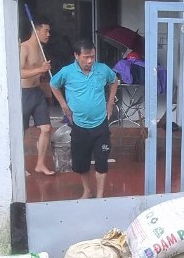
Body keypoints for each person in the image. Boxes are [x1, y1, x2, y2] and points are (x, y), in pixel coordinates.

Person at [50, 39, 119, 198]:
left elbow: (114, 81)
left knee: (102, 161)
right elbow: (53, 85)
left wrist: (110, 103)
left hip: (100, 124)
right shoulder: (67, 72)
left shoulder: (102, 69)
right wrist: (64, 106)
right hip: (79, 125)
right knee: (81, 163)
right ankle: (87, 191)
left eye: (92, 57)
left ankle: (100, 195)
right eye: (86, 57)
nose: (89, 61)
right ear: (76, 55)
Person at [20, 15, 55, 175]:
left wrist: (50, 91)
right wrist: (40, 69)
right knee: (21, 130)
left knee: (46, 128)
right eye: (46, 31)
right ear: (36, 30)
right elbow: (19, 72)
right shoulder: (24, 47)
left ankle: (40, 164)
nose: (49, 34)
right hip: (24, 93)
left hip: (37, 92)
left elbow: (41, 75)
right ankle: (21, 165)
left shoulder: (41, 50)